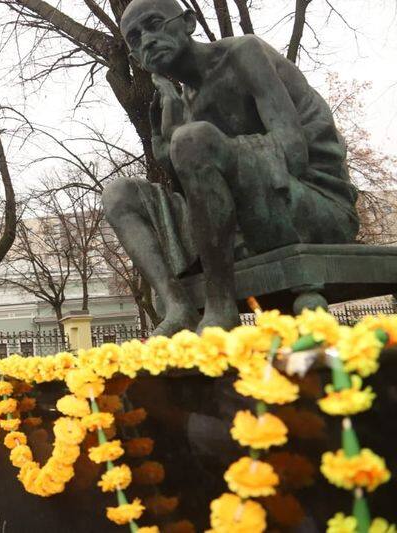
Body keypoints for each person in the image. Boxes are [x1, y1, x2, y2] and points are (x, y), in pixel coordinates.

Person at [103, 0, 358, 335]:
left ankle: (220, 303)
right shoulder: (185, 99)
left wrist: (197, 142)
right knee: (119, 195)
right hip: (244, 217)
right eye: (135, 39)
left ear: (189, 22)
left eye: (154, 24)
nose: (146, 40)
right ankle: (177, 305)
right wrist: (165, 136)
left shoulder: (243, 54)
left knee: (193, 139)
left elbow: (294, 154)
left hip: (311, 203)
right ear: (136, 60)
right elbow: (203, 195)